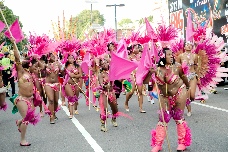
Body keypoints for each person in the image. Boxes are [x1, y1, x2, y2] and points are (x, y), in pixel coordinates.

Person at [150, 48, 191, 152]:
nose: (171, 56)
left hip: (180, 92)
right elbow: (150, 83)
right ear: (162, 57)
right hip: (165, 95)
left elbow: (183, 76)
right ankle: (158, 144)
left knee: (178, 116)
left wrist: (188, 87)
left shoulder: (177, 66)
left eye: (172, 54)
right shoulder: (157, 70)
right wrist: (153, 74)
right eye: (168, 55)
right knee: (163, 118)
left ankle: (182, 142)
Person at [10, 38, 40, 146]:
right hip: (21, 99)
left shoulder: (32, 74)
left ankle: (19, 122)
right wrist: (14, 43)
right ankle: (22, 140)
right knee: (26, 119)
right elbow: (17, 57)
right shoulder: (21, 72)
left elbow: (40, 65)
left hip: (30, 99)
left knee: (30, 118)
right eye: (33, 65)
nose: (35, 67)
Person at [176, 41, 199, 116]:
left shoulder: (195, 56)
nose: (189, 46)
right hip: (184, 77)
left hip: (192, 76)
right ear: (184, 47)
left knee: (192, 95)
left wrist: (197, 76)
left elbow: (196, 66)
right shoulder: (180, 56)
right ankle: (188, 110)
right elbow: (177, 66)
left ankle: (188, 103)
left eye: (190, 45)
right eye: (187, 45)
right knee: (186, 94)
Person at [98, 57, 118, 132]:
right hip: (104, 92)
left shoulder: (112, 72)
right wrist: (105, 86)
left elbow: (118, 79)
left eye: (105, 63)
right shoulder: (101, 74)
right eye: (102, 64)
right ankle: (103, 124)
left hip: (111, 92)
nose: (104, 65)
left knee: (115, 109)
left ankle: (114, 119)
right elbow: (100, 83)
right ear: (101, 66)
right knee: (104, 109)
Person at [62, 53, 82, 118]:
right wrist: (62, 69)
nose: (71, 59)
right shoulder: (65, 66)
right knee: (71, 97)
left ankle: (75, 108)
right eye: (69, 58)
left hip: (76, 84)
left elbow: (80, 75)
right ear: (67, 59)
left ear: (74, 59)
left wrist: (74, 75)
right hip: (68, 84)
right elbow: (61, 74)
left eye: (72, 58)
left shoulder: (77, 66)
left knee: (75, 98)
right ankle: (71, 113)